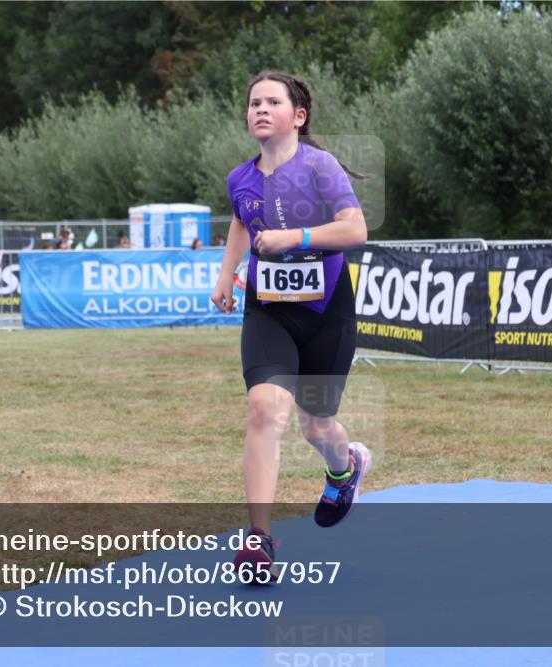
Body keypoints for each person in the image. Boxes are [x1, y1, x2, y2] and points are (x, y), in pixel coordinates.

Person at [210, 71, 370, 577]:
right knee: (263, 408)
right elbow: (241, 218)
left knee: (315, 423)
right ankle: (258, 541)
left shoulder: (321, 167)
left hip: (326, 312)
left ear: (297, 116)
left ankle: (344, 471)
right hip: (268, 308)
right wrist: (226, 273)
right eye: (253, 102)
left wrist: (293, 238)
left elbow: (355, 229)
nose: (259, 108)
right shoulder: (241, 177)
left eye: (271, 101)